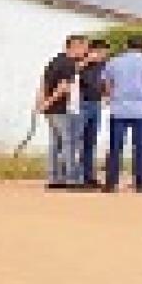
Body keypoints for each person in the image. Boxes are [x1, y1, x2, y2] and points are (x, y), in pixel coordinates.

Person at [98, 34, 142, 193]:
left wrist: (115, 96)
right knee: (141, 147)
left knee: (115, 147)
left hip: (119, 109)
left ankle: (111, 182)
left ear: (126, 45)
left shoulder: (114, 62)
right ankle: (141, 183)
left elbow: (107, 86)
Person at [35, 35, 84, 188]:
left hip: (51, 110)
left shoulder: (55, 60)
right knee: (69, 143)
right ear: (75, 46)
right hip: (61, 109)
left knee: (55, 144)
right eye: (84, 47)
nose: (85, 50)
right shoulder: (69, 64)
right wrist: (48, 102)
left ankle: (54, 179)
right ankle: (71, 179)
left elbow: (44, 82)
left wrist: (41, 103)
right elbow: (63, 87)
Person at [73, 38, 109, 187]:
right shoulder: (81, 62)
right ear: (93, 51)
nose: (103, 55)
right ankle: (74, 176)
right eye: (101, 52)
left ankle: (88, 176)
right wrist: (87, 60)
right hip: (81, 105)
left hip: (96, 105)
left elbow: (107, 82)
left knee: (90, 142)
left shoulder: (104, 65)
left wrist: (107, 95)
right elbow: (69, 72)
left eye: (105, 53)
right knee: (76, 140)